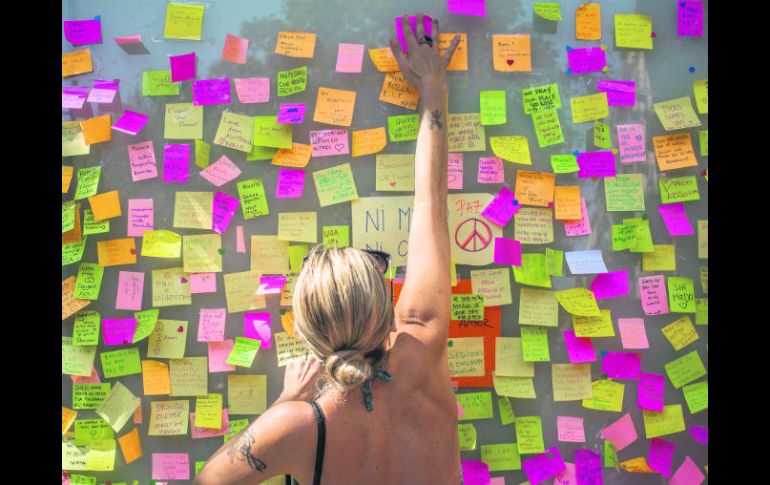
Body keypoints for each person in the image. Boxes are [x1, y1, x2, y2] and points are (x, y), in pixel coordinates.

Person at [196, 13, 462, 485]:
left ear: (305, 333)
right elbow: (430, 206)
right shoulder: (422, 341)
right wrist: (434, 92)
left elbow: (209, 482)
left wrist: (285, 403)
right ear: (386, 310)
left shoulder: (296, 425)